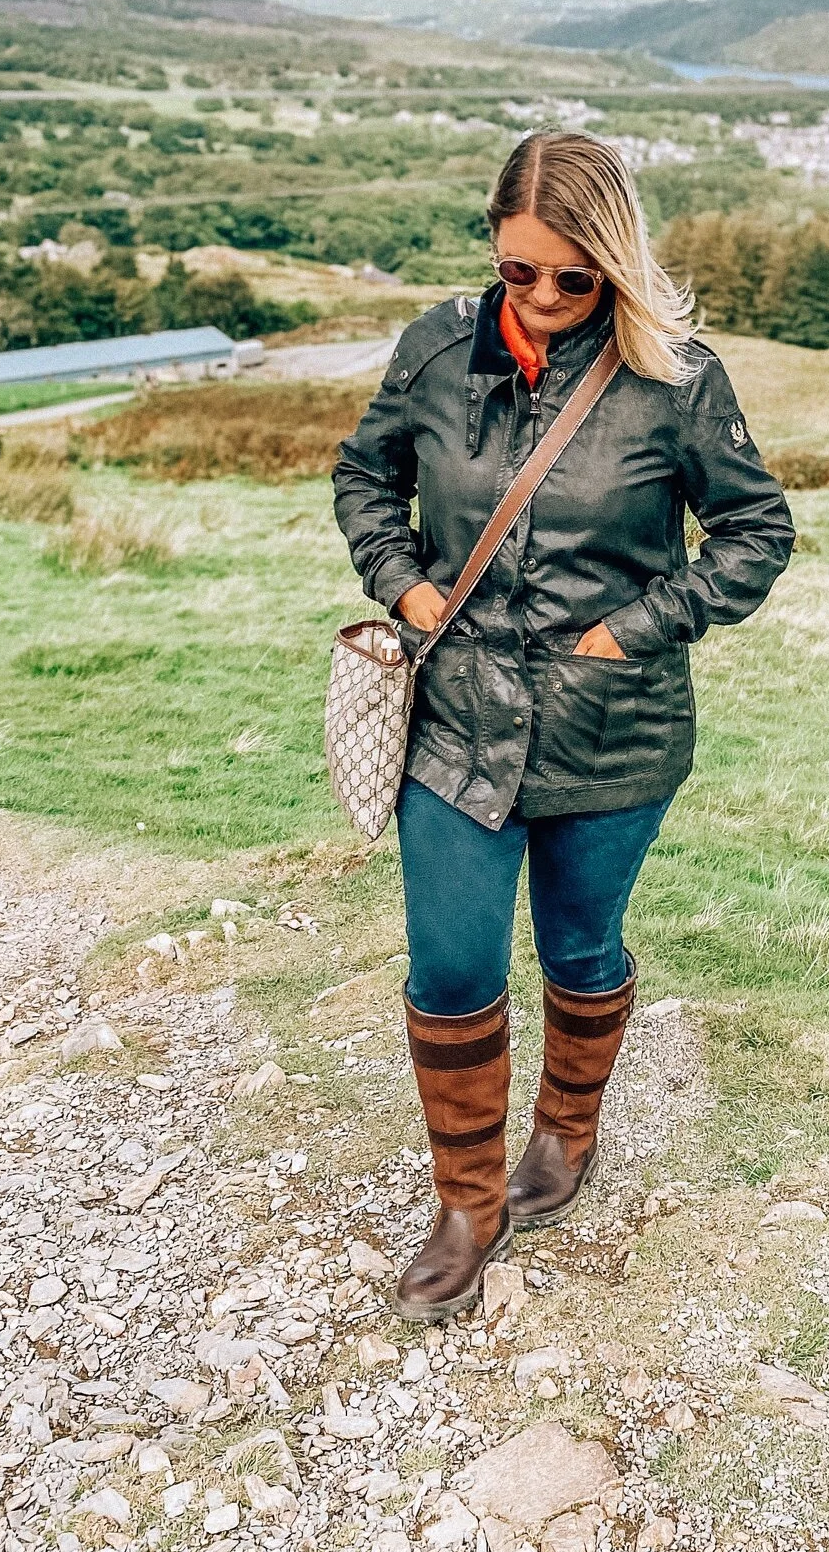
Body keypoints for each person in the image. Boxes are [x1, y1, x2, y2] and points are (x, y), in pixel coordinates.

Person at [333, 130, 794, 1321]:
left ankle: (567, 1134)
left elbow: (756, 532)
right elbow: (363, 474)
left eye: (571, 277)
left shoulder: (677, 378)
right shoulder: (437, 346)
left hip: (612, 731)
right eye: (517, 270)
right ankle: (467, 1202)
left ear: (615, 262)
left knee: (581, 951)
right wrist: (404, 579)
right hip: (454, 724)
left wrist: (630, 632)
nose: (539, 298)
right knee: (451, 969)